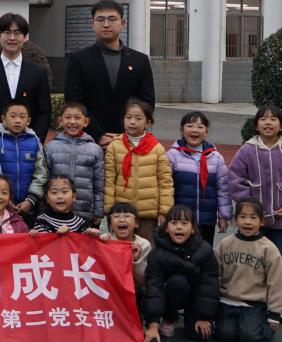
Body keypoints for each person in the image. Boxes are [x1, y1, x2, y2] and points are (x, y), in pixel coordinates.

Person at [227, 104, 282, 271]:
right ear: (256, 126)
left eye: (273, 119)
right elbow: (235, 178)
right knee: (250, 259)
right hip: (253, 221)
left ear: (281, 126)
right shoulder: (247, 151)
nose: (268, 122)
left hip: (281, 220)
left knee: (279, 260)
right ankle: (250, 287)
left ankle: (277, 288)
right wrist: (248, 206)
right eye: (263, 119)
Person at [64, 0, 155, 145]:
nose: (106, 24)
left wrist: (126, 135)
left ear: (123, 23)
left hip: (130, 141)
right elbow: (74, 101)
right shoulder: (78, 59)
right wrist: (99, 135)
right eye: (100, 19)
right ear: (93, 24)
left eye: (112, 19)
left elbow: (147, 103)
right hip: (88, 141)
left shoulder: (140, 60)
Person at [142, 205, 220, 342]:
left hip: (195, 297)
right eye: (174, 223)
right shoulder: (157, 254)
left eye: (184, 223)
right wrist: (153, 324)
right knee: (178, 282)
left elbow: (208, 284)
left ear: (193, 228)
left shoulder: (205, 250)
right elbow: (154, 287)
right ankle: (169, 318)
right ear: (166, 228)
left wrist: (204, 316)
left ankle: (191, 316)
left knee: (199, 335)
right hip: (170, 295)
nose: (179, 227)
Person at [214, 198, 282, 342]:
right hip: (228, 301)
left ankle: (261, 322)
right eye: (243, 217)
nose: (247, 222)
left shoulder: (268, 249)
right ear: (235, 220)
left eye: (253, 218)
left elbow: (276, 283)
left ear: (261, 221)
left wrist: (275, 314)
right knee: (225, 335)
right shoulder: (225, 244)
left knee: (250, 337)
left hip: (254, 303)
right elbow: (215, 275)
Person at [0, 13, 52, 139]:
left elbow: (44, 112)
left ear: (25, 37)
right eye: (7, 32)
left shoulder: (38, 73)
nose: (12, 38)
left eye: (17, 33)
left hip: (28, 144)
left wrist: (35, 141)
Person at [104, 99, 172, 241]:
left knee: (146, 248)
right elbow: (109, 180)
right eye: (128, 117)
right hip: (122, 213)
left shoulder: (157, 148)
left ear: (147, 123)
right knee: (120, 249)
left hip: (147, 214)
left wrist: (164, 211)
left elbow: (165, 182)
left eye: (138, 118)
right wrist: (109, 209)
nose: (132, 122)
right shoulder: (114, 146)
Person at [168, 111, 231, 245]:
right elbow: (165, 187)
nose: (195, 130)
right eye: (190, 126)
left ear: (206, 132)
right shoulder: (172, 156)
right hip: (180, 220)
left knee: (204, 252)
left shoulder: (216, 157)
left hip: (206, 220)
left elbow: (223, 189)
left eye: (200, 127)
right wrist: (165, 214)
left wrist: (224, 216)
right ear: (182, 130)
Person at [44, 101, 106, 226]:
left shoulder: (95, 149)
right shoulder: (50, 148)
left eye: (77, 118)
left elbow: (99, 184)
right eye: (68, 117)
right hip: (55, 213)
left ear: (86, 122)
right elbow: (45, 180)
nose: (72, 122)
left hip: (84, 212)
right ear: (60, 121)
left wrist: (98, 210)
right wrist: (44, 208)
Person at [0, 100, 47, 219]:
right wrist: (5, 199)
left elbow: (41, 173)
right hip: (0, 204)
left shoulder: (34, 142)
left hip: (29, 206)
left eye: (22, 117)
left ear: (28, 121)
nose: (17, 120)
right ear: (4, 119)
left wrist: (31, 200)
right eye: (13, 116)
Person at [100, 201, 151, 292]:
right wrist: (101, 244)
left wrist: (136, 261)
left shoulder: (143, 244)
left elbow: (142, 282)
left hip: (134, 291)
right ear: (110, 224)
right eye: (116, 216)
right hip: (109, 291)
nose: (122, 220)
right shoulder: (105, 241)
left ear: (136, 223)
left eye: (127, 216)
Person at [30, 176, 101, 235]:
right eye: (54, 192)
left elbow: (83, 245)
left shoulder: (81, 223)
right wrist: (57, 236)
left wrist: (92, 236)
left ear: (73, 196)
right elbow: (43, 244)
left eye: (64, 192)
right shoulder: (42, 221)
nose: (60, 196)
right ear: (47, 199)